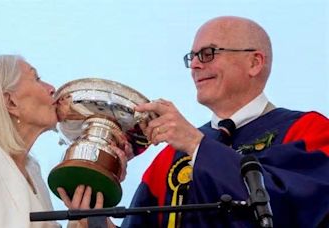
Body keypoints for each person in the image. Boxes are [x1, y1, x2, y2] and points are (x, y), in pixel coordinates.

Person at [119, 16, 329, 227]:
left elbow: (296, 209)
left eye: (208, 54)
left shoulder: (310, 130)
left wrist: (197, 145)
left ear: (254, 62)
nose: (194, 65)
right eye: (192, 56)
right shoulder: (170, 157)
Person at [0, 55, 129, 228]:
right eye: (37, 78)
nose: (52, 89)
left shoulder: (33, 172)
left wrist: (85, 220)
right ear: (11, 102)